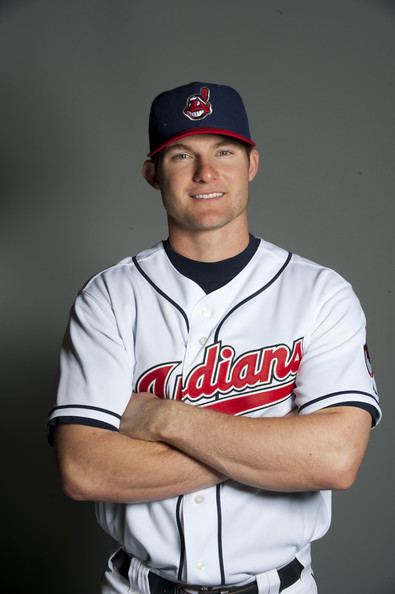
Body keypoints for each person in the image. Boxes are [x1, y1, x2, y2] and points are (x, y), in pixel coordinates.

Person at [48, 82, 381, 594]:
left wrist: (161, 418)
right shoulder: (109, 297)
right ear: (152, 173)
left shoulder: (320, 293)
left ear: (252, 164)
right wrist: (275, 446)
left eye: (224, 151)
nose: (207, 173)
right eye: (182, 155)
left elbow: (334, 460)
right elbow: (85, 469)